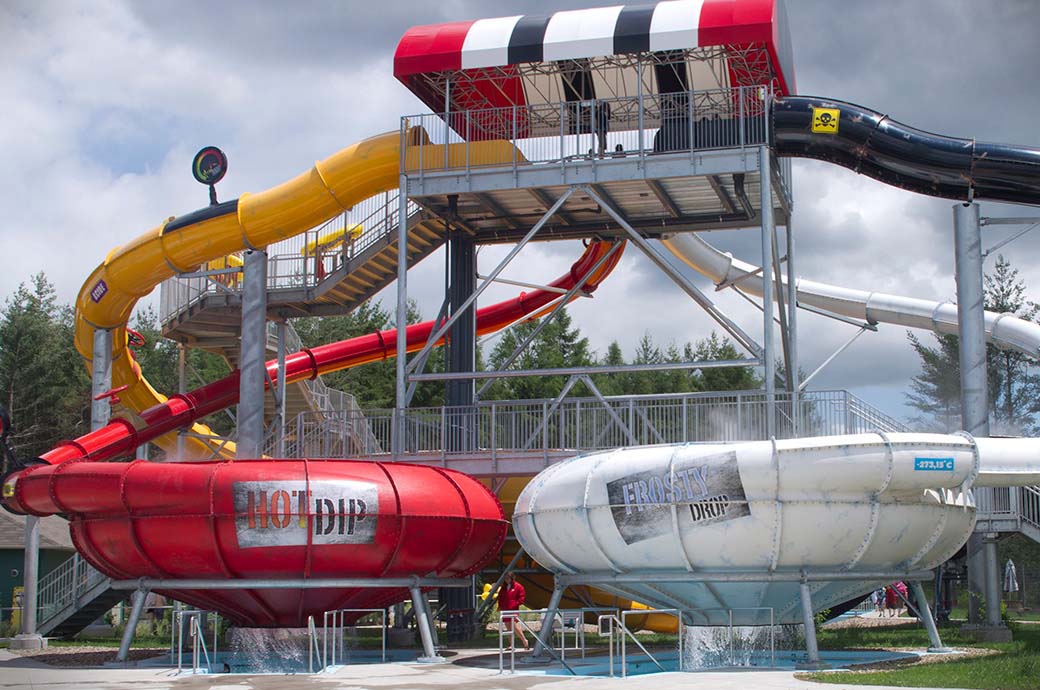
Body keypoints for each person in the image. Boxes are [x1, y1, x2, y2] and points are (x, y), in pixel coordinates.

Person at [497, 573, 529, 650]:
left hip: (513, 609)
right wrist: (500, 605)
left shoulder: (518, 586)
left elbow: (521, 598)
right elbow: (500, 596)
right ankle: (511, 644)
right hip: (505, 609)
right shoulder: (504, 587)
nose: (506, 580)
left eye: (508, 578)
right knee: (508, 627)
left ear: (512, 578)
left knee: (514, 625)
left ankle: (524, 640)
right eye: (505, 578)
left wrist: (514, 604)